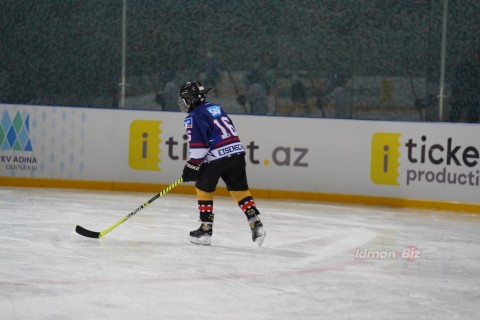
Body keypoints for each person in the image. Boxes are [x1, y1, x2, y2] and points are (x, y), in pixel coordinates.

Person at [177, 80, 266, 247]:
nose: (184, 103)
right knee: (239, 190)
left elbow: (200, 146)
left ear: (191, 99)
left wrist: (192, 165)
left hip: (216, 157)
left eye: (185, 99)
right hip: (237, 153)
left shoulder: (193, 117)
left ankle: (205, 230)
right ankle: (256, 223)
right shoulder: (216, 108)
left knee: (203, 188)